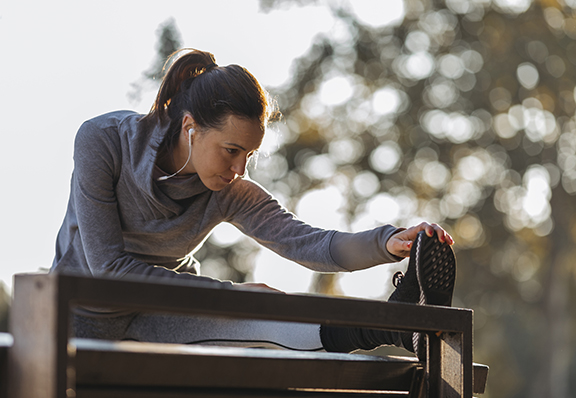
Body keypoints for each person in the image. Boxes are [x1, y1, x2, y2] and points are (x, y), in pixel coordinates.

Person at [50, 48, 456, 357]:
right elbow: (108, 270)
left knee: (270, 315)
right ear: (190, 126)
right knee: (250, 300)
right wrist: (229, 293)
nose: (239, 169)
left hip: (162, 312)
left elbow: (306, 241)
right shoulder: (103, 141)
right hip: (76, 317)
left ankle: (398, 327)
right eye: (231, 150)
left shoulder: (227, 189)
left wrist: (388, 242)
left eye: (248, 155)